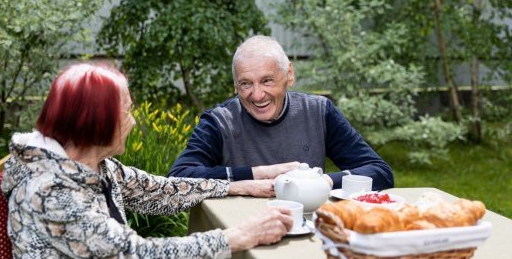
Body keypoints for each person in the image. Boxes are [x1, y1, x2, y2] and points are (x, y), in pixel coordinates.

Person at [1, 63, 293, 259]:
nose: (133, 122)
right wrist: (240, 235)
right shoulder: (50, 193)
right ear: (95, 121)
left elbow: (159, 192)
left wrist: (239, 184)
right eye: (127, 112)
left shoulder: (91, 166)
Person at [168, 35, 394, 193]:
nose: (257, 95)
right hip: (243, 234)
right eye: (246, 84)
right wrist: (258, 174)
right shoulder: (219, 121)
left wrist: (323, 182)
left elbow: (380, 172)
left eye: (267, 80)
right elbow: (177, 178)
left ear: (289, 75)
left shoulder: (318, 111)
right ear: (236, 85)